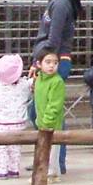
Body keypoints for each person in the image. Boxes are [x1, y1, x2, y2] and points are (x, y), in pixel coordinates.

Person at [36, 0, 83, 174]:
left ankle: (55, 160)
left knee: (47, 111)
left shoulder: (61, 3)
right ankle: (49, 156)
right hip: (49, 60)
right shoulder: (56, 0)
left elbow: (53, 39)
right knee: (41, 109)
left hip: (55, 61)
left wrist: (42, 63)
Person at [0, 53, 32, 178]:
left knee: (2, 147)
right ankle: (14, 169)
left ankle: (1, 170)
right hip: (19, 122)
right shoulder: (24, 84)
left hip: (2, 123)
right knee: (15, 147)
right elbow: (33, 81)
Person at [29, 43, 68, 176]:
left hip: (52, 125)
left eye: (55, 63)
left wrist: (46, 122)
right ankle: (51, 173)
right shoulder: (39, 79)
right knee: (45, 151)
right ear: (39, 64)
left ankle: (51, 174)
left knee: (52, 153)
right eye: (48, 62)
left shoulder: (57, 82)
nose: (52, 66)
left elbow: (54, 105)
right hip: (42, 123)